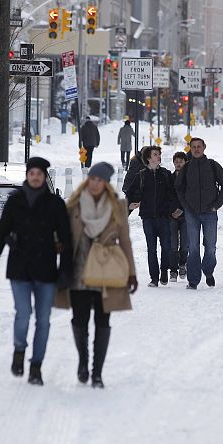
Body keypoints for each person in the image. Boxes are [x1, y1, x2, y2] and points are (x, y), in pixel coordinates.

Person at [0, 157, 72, 386]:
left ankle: (36, 366)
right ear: (27, 175)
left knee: (43, 321)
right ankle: (19, 350)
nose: (35, 177)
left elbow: (67, 240)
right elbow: (1, 233)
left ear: (45, 177)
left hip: (46, 271)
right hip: (20, 269)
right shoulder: (15, 202)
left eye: (39, 174)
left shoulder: (55, 204)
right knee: (23, 314)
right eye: (32, 173)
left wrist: (65, 272)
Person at [62, 162, 138, 388]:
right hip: (79, 270)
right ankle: (83, 362)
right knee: (80, 319)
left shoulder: (118, 206)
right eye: (92, 179)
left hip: (107, 270)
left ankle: (97, 372)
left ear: (106, 183)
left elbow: (125, 241)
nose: (95, 183)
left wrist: (132, 273)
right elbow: (63, 238)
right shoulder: (74, 205)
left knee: (102, 321)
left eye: (100, 180)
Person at [175, 137, 223, 289]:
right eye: (193, 147)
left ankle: (208, 271)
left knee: (210, 246)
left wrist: (217, 204)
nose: (196, 149)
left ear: (204, 147)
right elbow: (178, 188)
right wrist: (186, 205)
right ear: (190, 149)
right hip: (191, 213)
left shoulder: (212, 165)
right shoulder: (186, 167)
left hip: (209, 213)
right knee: (193, 247)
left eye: (199, 146)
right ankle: (193, 280)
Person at [126, 146, 177, 287]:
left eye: (159, 154)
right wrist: (129, 206)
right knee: (151, 248)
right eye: (155, 154)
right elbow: (130, 192)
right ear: (148, 158)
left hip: (163, 217)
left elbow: (173, 194)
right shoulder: (141, 175)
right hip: (147, 217)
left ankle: (164, 271)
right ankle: (154, 278)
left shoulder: (166, 174)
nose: (158, 156)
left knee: (166, 246)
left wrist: (175, 209)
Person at [169, 152, 189, 282]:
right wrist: (172, 210)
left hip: (186, 215)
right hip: (171, 215)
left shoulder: (189, 177)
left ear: (185, 162)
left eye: (181, 161)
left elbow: (190, 196)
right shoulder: (169, 178)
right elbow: (167, 196)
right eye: (176, 161)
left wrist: (181, 209)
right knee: (172, 244)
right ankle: (173, 270)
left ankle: (182, 264)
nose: (178, 163)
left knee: (185, 244)